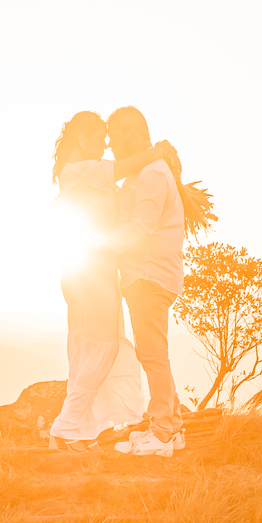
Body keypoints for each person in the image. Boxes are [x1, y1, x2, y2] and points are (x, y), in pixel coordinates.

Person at [48, 111, 180, 450]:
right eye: (101, 139)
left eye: (112, 138)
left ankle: (79, 427)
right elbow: (126, 170)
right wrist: (161, 150)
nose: (107, 146)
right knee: (103, 346)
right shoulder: (84, 169)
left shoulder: (90, 172)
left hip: (95, 271)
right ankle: (68, 426)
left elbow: (137, 220)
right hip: (91, 272)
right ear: (82, 139)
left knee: (99, 345)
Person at [106, 105, 214, 458]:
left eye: (113, 137)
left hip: (149, 277)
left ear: (131, 133)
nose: (111, 146)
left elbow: (141, 228)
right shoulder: (149, 170)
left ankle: (162, 434)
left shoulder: (152, 173)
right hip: (147, 276)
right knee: (152, 353)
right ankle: (173, 426)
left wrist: (100, 245)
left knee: (153, 355)